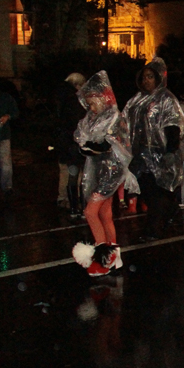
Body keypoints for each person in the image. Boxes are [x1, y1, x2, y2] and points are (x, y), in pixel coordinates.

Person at [70, 71, 138, 276]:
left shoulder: (113, 116)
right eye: (88, 103)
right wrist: (88, 146)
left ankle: (102, 256)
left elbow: (109, 145)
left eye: (93, 102)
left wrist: (92, 146)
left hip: (111, 171)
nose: (90, 107)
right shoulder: (93, 117)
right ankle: (114, 256)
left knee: (91, 212)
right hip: (99, 170)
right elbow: (85, 141)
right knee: (104, 214)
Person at [124, 58, 184, 242]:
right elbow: (125, 121)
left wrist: (170, 151)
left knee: (155, 194)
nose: (146, 81)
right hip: (140, 154)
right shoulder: (137, 99)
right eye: (144, 77)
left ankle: (153, 228)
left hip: (159, 153)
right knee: (145, 190)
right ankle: (169, 210)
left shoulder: (166, 98)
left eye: (150, 77)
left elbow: (173, 125)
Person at [54, 73, 87, 217]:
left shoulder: (61, 97)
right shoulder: (76, 101)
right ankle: (76, 203)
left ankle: (68, 202)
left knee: (67, 172)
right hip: (74, 143)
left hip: (64, 142)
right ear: (78, 85)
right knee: (78, 174)